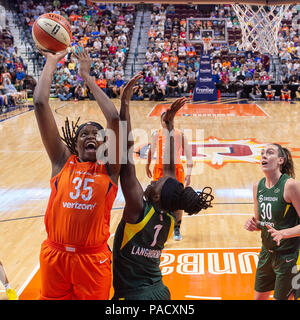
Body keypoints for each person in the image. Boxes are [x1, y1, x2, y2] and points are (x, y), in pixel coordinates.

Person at [112, 74, 213, 300]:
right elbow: (168, 169)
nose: (154, 180)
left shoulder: (138, 210)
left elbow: (126, 155)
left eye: (157, 183)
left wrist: (125, 103)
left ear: (157, 196)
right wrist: (169, 126)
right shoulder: (166, 218)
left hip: (135, 297)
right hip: (159, 293)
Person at [33, 45, 121, 300]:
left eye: (96, 134)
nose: (91, 136)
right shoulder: (62, 161)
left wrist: (87, 77)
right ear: (75, 143)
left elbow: (114, 119)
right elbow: (39, 103)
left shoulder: (110, 169)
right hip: (55, 256)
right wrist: (51, 61)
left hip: (92, 260)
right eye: (84, 134)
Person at [244, 143, 300, 300]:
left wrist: (283, 233)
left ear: (280, 160)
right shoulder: (257, 186)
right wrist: (252, 224)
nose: (264, 156)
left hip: (289, 256)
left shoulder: (291, 186)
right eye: (262, 153)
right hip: (266, 253)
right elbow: (260, 222)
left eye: (269, 153)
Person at [146, 112, 193, 241]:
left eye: (169, 120)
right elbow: (151, 151)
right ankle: (159, 227)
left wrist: (189, 174)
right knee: (157, 200)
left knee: (178, 201)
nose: (166, 122)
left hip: (177, 170)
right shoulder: (156, 134)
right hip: (159, 169)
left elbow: (189, 156)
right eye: (164, 120)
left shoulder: (180, 135)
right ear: (160, 122)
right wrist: (147, 164)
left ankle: (177, 228)